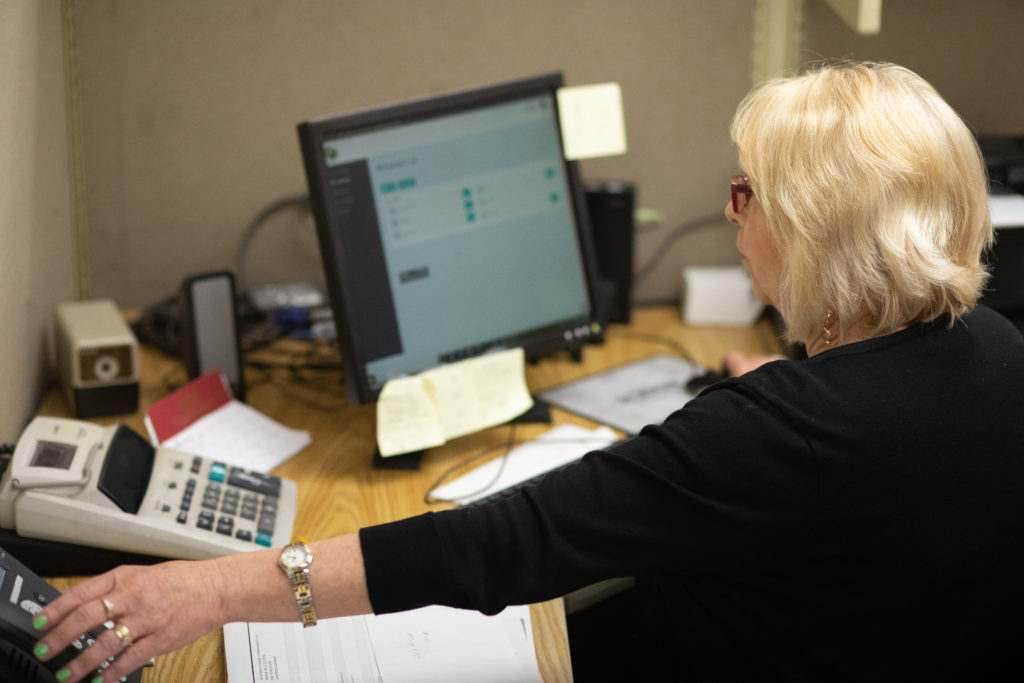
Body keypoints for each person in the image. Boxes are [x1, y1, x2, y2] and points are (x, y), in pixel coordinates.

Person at [33, 61, 1024, 682]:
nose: (730, 214)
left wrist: (205, 594)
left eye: (744, 191)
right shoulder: (994, 348)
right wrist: (770, 385)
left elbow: (506, 539)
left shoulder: (774, 432)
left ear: (808, 227)